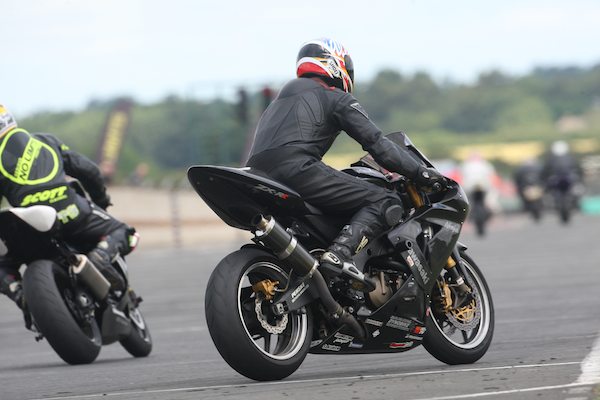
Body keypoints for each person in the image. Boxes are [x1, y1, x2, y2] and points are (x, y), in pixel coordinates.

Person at [246, 38, 445, 276]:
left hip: (256, 175)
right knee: (385, 200)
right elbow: (378, 145)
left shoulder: (276, 104)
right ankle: (339, 254)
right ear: (334, 64)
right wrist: (420, 172)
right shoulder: (334, 97)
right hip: (298, 170)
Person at [0, 104, 134, 323]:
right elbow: (89, 170)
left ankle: (20, 294)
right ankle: (101, 256)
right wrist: (101, 200)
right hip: (70, 211)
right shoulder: (45, 140)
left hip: (27, 227)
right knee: (124, 231)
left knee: (3, 265)